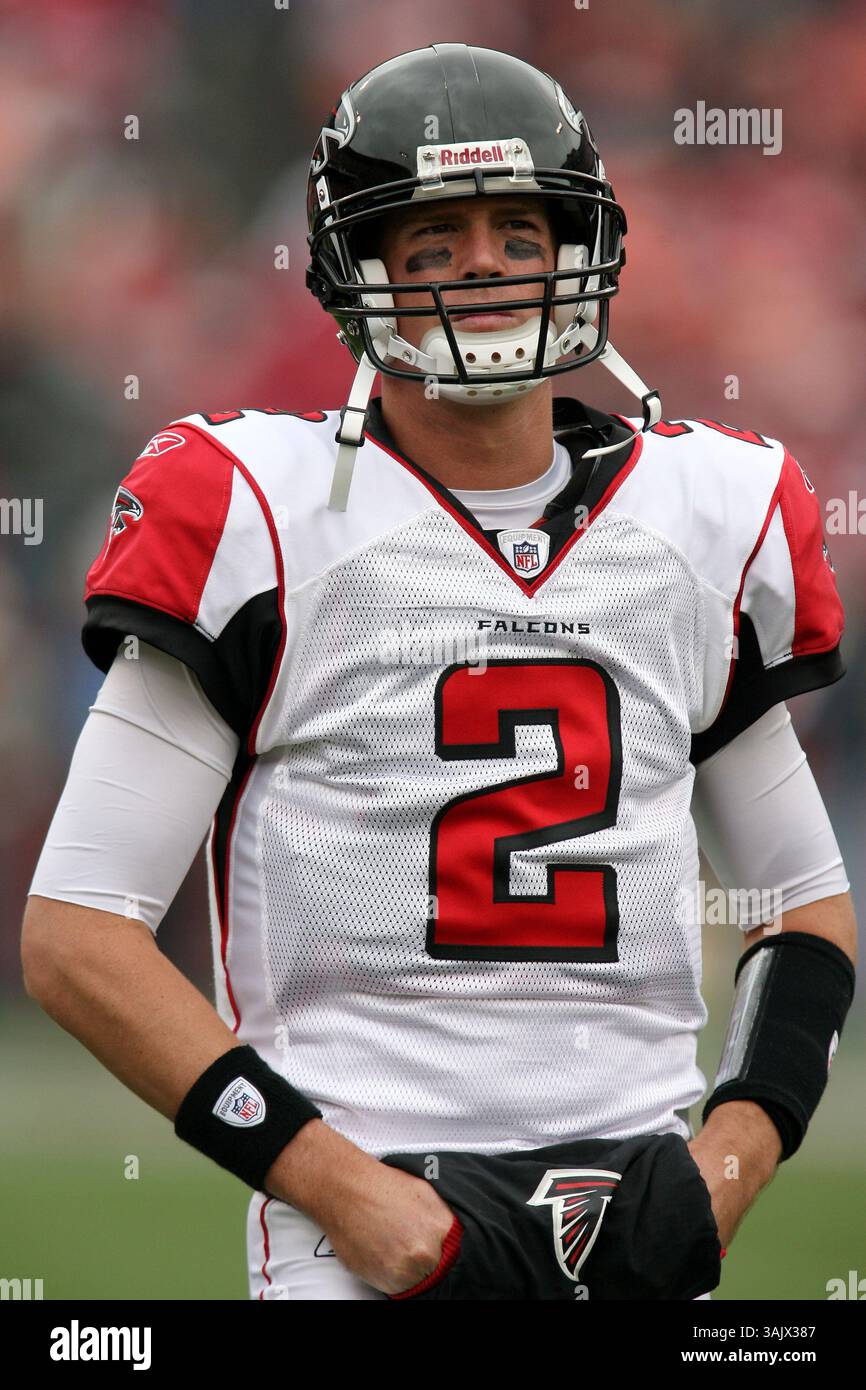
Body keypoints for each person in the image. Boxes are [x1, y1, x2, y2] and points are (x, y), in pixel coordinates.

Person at [22, 43, 856, 1301]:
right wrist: (337, 1185)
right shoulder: (260, 510)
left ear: (579, 244)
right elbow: (78, 933)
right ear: (361, 275)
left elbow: (801, 896)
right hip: (361, 1232)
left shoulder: (707, 511)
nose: (481, 269)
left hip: (633, 1215)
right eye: (431, 242)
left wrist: (725, 1160)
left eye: (517, 232)